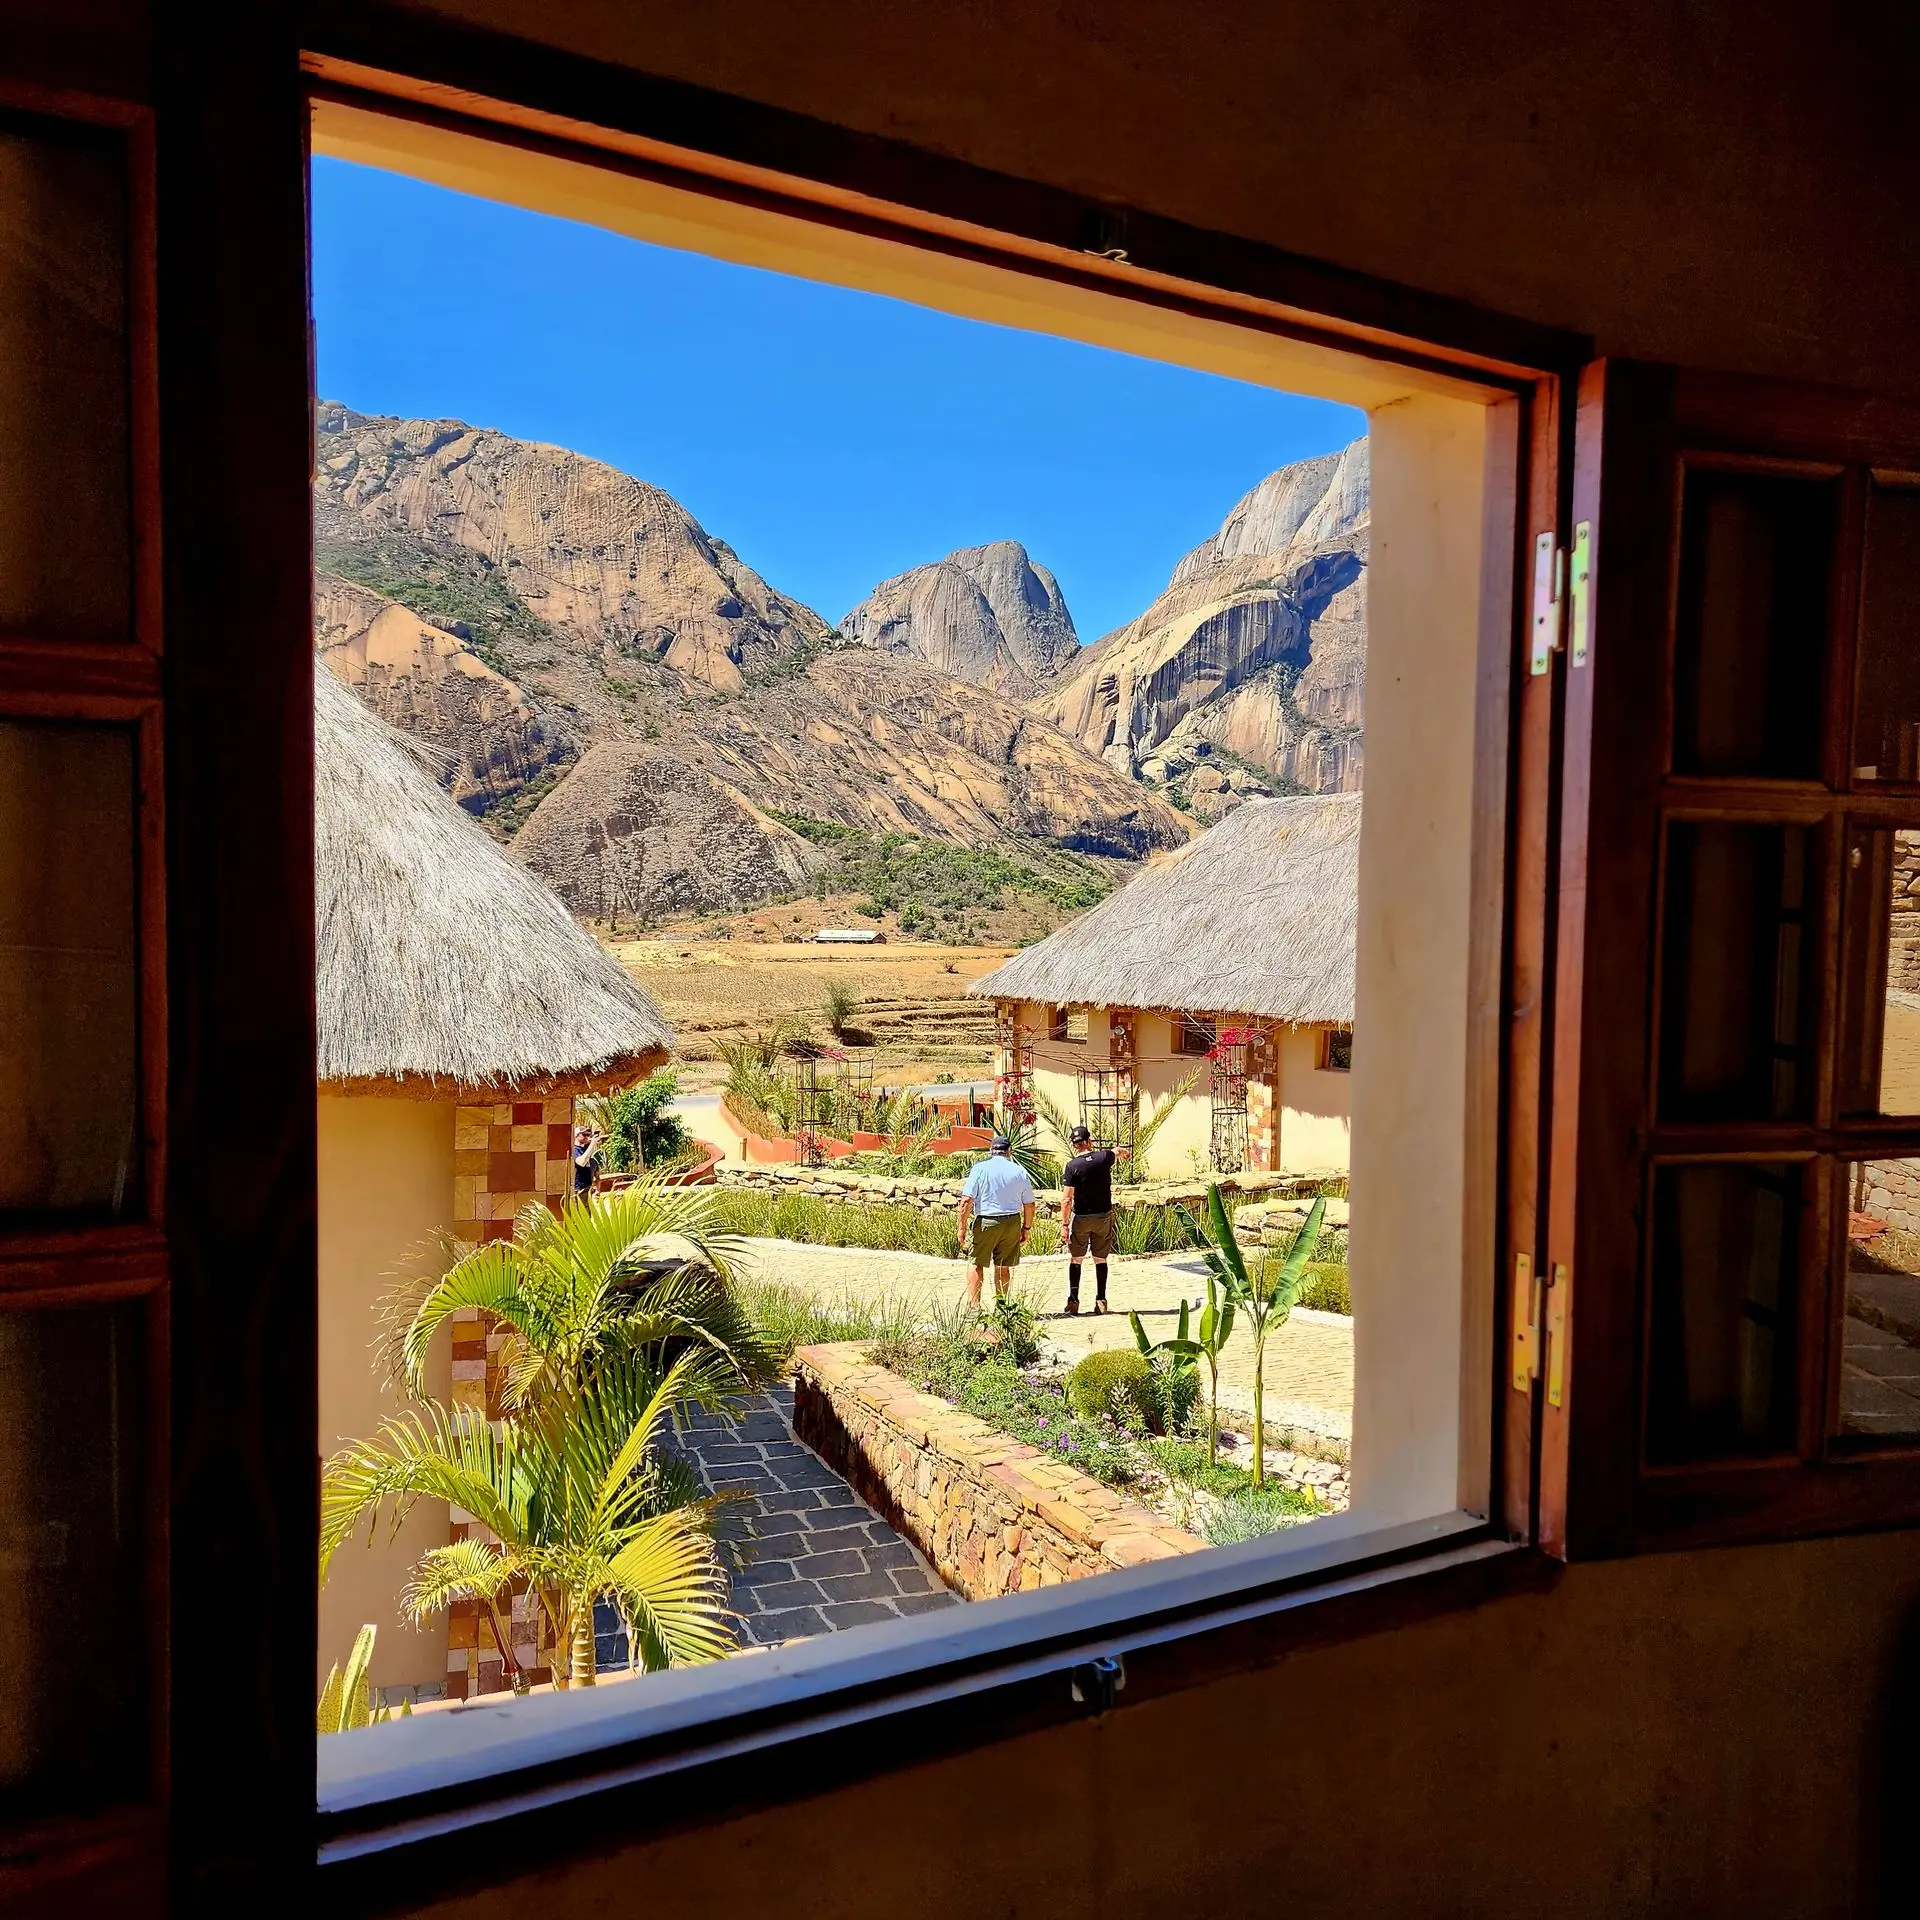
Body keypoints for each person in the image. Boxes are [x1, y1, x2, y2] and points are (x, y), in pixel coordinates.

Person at [956, 1132, 1036, 1309]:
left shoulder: (980, 1169)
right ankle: (1002, 1308)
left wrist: (961, 1227)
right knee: (1003, 1266)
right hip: (1011, 1221)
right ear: (1010, 1151)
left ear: (991, 1151)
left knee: (976, 1263)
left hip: (986, 1221)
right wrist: (1026, 1228)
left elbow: (966, 1201)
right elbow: (1030, 1205)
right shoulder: (1019, 1171)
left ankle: (974, 1307)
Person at [1060, 1123, 1122, 1315]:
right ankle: (1101, 1299)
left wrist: (1064, 1224)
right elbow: (1117, 1151)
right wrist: (1123, 1153)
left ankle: (1073, 1301)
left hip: (1082, 1218)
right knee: (1100, 1259)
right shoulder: (1103, 1157)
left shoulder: (1072, 1167)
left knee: (1076, 1259)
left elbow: (1067, 1198)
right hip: (1103, 1216)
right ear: (1089, 1142)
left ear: (1074, 1145)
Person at [571, 1122, 601, 1199]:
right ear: (576, 1136)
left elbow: (597, 1176)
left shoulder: (585, 1150)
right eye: (584, 1135)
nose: (587, 1137)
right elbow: (581, 1162)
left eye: (588, 1135)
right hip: (578, 1190)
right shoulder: (574, 1149)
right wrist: (593, 1143)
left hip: (588, 1189)